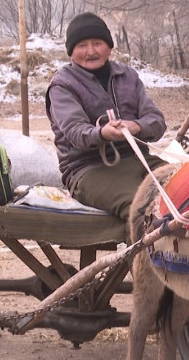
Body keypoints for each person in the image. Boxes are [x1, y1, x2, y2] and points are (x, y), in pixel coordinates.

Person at [45, 12, 168, 221]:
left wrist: (136, 127)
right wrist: (103, 133)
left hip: (139, 159)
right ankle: (140, 254)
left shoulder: (128, 76)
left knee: (187, 190)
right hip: (88, 170)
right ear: (71, 52)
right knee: (142, 209)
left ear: (109, 47)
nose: (91, 51)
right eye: (82, 45)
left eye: (97, 43)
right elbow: (75, 132)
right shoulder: (62, 85)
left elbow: (156, 120)